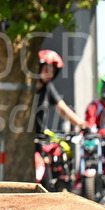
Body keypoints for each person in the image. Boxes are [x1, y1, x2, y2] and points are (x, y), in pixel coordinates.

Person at [32, 50, 87, 186]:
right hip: (24, 141)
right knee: (37, 175)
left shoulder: (48, 88)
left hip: (38, 140)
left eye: (52, 70)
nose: (48, 72)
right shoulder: (26, 87)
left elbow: (62, 109)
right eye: (46, 67)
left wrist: (81, 123)